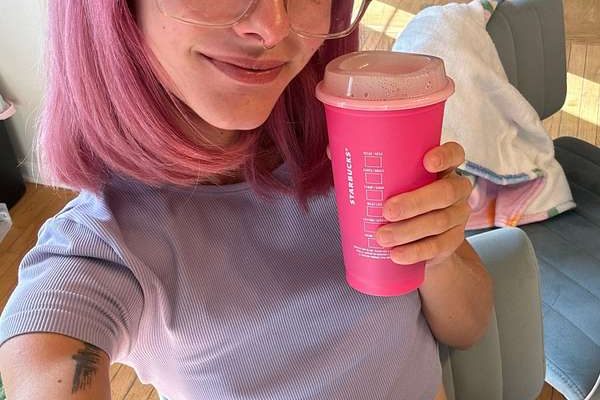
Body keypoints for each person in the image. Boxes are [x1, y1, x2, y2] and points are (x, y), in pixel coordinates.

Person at [0, 1, 494, 399]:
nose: (272, 27)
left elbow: (468, 328)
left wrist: (437, 253)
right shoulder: (103, 248)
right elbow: (48, 348)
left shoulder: (358, 146)